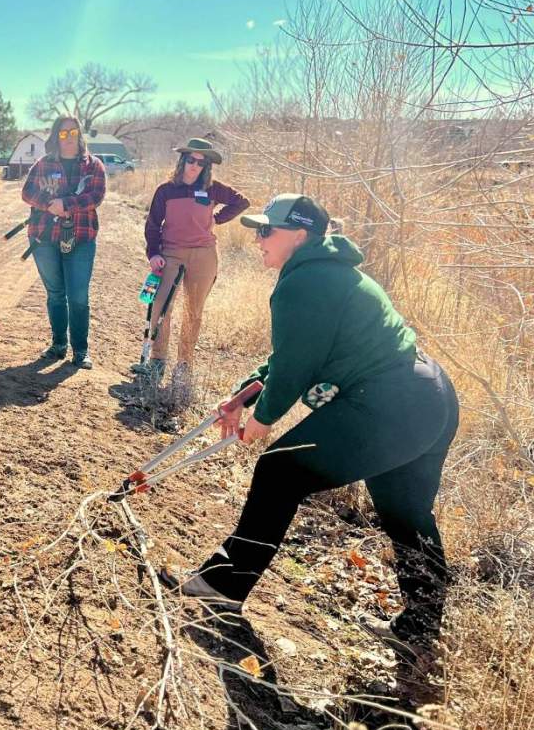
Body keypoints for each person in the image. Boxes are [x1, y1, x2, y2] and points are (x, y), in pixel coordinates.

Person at [172, 195, 459, 655]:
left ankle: (226, 583)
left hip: (390, 402)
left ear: (299, 236)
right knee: (406, 513)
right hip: (429, 396)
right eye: (258, 229)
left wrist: (260, 422)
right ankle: (422, 629)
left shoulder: (303, 282)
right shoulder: (327, 273)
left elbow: (293, 365)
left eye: (268, 231)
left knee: (279, 470)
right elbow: (294, 354)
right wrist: (245, 394)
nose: (258, 238)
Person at [134, 138, 248, 391]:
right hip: (171, 252)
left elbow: (242, 202)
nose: (195, 166)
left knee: (193, 311)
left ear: (206, 166)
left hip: (204, 255)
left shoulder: (212, 188)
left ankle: (185, 364)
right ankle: (157, 360)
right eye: (191, 160)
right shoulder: (166, 190)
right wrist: (153, 253)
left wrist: (216, 219)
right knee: (160, 306)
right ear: (182, 160)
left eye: (201, 162)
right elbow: (152, 225)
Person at [20, 115, 107, 369]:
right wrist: (50, 205)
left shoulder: (94, 166)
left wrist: (66, 205)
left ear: (80, 135)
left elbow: (96, 196)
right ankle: (58, 345)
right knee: (56, 294)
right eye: (63, 133)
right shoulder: (43, 164)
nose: (68, 138)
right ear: (56, 136)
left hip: (81, 238)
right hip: (45, 238)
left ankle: (80, 350)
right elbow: (27, 193)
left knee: (78, 296)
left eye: (73, 133)